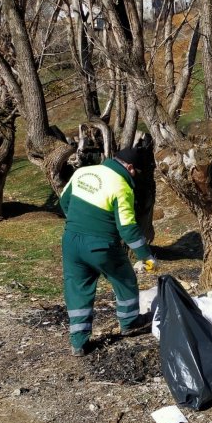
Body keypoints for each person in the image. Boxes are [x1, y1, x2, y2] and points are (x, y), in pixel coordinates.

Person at [60, 147, 157, 357]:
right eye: (136, 172)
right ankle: (129, 322)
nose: (135, 176)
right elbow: (128, 228)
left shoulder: (82, 172)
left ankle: (78, 342)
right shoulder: (121, 186)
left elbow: (64, 201)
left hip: (71, 241)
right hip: (102, 245)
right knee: (125, 279)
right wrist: (145, 256)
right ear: (130, 167)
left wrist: (78, 223)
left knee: (77, 289)